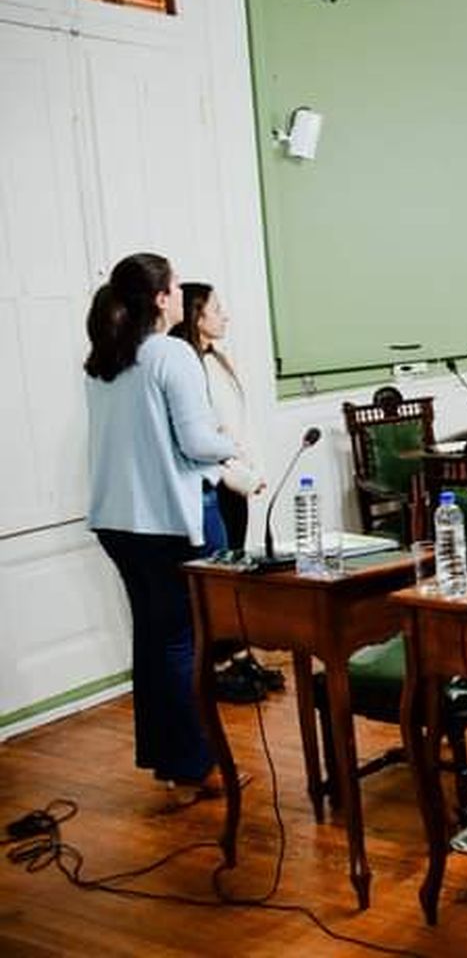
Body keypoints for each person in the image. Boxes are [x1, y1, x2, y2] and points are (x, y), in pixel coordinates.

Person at [85, 253, 240, 809]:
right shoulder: (170, 354)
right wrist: (230, 442)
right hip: (173, 522)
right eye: (174, 287)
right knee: (185, 646)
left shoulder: (104, 360)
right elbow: (197, 444)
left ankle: (171, 769)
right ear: (160, 299)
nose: (180, 294)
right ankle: (198, 766)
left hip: (118, 523)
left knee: (154, 643)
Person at [168, 282, 281, 705]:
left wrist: (254, 471)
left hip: (238, 476)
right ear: (196, 315)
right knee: (219, 579)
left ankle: (238, 655)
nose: (225, 315)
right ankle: (217, 665)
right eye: (218, 308)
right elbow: (207, 436)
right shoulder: (187, 366)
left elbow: (237, 425)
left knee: (235, 572)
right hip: (217, 481)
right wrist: (240, 476)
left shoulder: (216, 359)